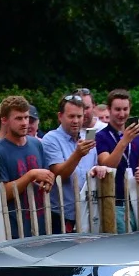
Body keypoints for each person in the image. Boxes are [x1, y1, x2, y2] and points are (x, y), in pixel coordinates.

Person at [0, 95, 57, 237]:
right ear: (4, 120)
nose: (24, 123)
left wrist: (47, 180)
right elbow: (2, 193)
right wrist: (31, 175)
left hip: (41, 221)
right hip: (16, 227)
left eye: (26, 117)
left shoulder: (36, 144)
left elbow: (46, 174)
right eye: (18, 118)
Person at [39, 94, 100, 231]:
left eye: (79, 116)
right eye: (71, 116)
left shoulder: (87, 138)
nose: (76, 121)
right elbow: (59, 174)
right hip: (61, 214)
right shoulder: (51, 138)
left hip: (88, 211)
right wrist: (77, 154)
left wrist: (98, 169)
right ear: (60, 116)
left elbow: (92, 169)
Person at [94, 90, 139, 232]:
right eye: (117, 109)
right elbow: (108, 165)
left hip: (136, 201)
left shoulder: (138, 137)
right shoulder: (101, 136)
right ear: (109, 110)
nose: (122, 114)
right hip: (115, 202)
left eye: (125, 109)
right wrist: (124, 141)